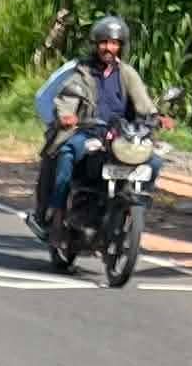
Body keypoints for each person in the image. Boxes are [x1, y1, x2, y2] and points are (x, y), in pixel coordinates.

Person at [34, 18, 154, 226]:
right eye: (104, 43)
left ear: (121, 46)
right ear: (96, 44)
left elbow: (143, 102)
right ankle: (57, 208)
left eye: (114, 43)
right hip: (87, 131)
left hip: (120, 136)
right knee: (67, 151)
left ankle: (135, 208)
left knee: (154, 161)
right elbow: (67, 97)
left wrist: (156, 117)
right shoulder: (82, 71)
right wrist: (66, 116)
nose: (109, 48)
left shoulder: (127, 73)